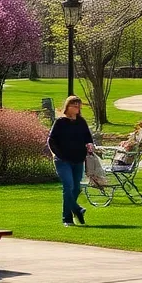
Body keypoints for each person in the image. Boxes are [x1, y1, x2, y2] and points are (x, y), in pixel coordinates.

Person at [47, 95, 94, 226]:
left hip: (78, 159)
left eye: (79, 105)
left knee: (76, 188)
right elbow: (51, 140)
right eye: (74, 105)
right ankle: (73, 213)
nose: (77, 108)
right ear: (67, 107)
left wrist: (89, 144)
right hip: (62, 160)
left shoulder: (81, 122)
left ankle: (71, 215)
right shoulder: (60, 122)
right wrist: (57, 154)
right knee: (68, 186)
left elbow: (87, 138)